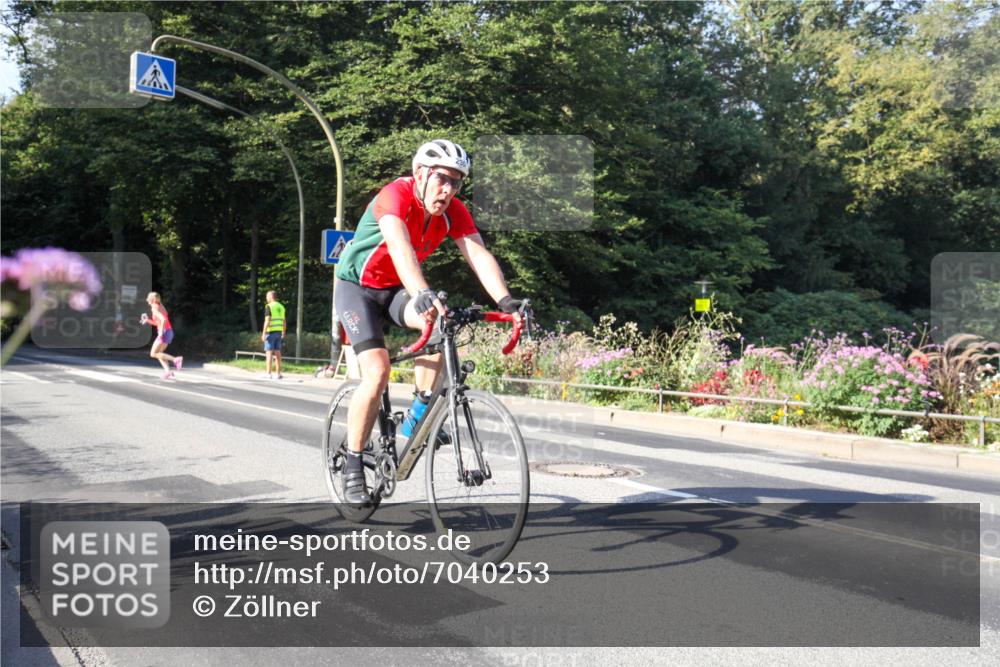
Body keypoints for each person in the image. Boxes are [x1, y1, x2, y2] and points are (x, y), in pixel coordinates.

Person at [334, 139, 527, 504]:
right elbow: (399, 247)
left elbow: (478, 254)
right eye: (442, 179)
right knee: (376, 372)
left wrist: (506, 300)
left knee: (441, 324)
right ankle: (354, 464)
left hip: (394, 290)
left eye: (457, 183)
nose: (448, 190)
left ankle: (417, 417)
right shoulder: (395, 196)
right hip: (357, 288)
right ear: (420, 173)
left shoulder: (454, 211)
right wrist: (422, 290)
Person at [140, 292, 182, 380]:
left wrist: (161, 332)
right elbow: (158, 322)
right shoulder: (160, 306)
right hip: (169, 331)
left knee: (153, 353)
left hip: (164, 332)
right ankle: (168, 372)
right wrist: (147, 320)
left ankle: (175, 359)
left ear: (153, 300)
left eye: (148, 298)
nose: (147, 300)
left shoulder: (154, 308)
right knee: (159, 354)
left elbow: (163, 320)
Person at [261, 290, 286, 379]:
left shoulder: (269, 306)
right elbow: (284, 321)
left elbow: (267, 320)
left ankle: (268, 373)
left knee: (269, 353)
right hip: (278, 332)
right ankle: (278, 374)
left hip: (270, 332)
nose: (266, 298)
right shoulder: (281, 306)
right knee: (278, 353)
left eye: (267, 296)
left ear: (271, 297)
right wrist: (283, 331)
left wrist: (263, 333)